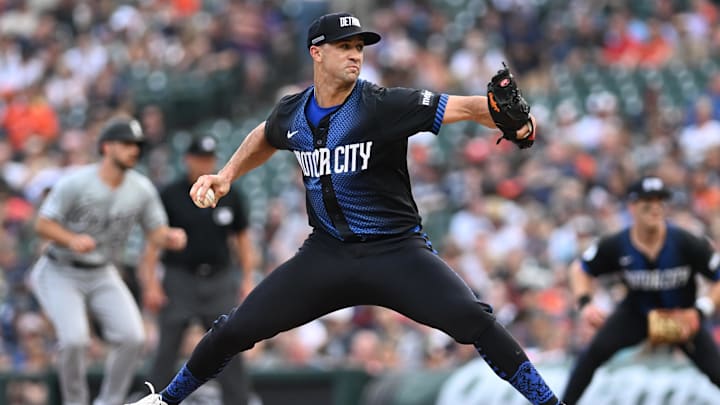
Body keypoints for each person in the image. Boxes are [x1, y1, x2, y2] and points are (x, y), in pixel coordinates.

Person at [128, 12, 564, 405]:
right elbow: (265, 134)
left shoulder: (380, 104)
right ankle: (166, 401)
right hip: (327, 254)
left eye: (359, 47)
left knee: (475, 321)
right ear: (317, 52)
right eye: (345, 47)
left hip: (395, 252)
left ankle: (549, 403)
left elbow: (464, 108)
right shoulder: (294, 111)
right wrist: (225, 176)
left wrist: (508, 117)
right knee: (236, 329)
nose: (355, 55)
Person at [29, 116, 187, 405]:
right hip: (60, 269)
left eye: (137, 145)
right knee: (75, 340)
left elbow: (156, 230)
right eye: (127, 144)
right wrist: (70, 238)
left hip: (103, 271)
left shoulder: (141, 188)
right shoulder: (76, 182)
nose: (134, 150)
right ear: (106, 146)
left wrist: (169, 237)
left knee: (133, 337)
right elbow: (42, 224)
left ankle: (110, 402)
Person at [562, 176, 720, 404]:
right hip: (637, 315)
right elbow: (579, 269)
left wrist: (700, 310)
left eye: (660, 202)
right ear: (632, 207)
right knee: (592, 355)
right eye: (647, 202)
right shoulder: (618, 244)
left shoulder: (686, 242)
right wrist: (585, 303)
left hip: (681, 317)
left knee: (716, 371)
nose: (655, 208)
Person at [140, 134, 255, 404]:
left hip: (219, 278)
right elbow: (153, 241)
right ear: (187, 160)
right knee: (167, 348)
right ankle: (154, 400)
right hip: (180, 279)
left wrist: (248, 277)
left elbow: (242, 240)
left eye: (209, 159)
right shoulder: (171, 194)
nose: (204, 164)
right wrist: (151, 284)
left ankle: (238, 401)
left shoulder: (230, 193)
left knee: (229, 343)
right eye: (199, 158)